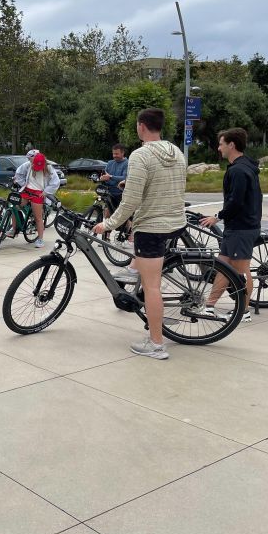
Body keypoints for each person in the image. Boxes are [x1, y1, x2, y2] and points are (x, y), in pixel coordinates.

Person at [92, 108, 186, 360]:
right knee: (146, 273)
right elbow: (164, 183)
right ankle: (134, 268)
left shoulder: (141, 155)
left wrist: (108, 224)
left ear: (141, 126)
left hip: (151, 227)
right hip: (174, 222)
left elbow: (130, 201)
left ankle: (156, 344)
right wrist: (128, 182)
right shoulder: (176, 152)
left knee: (152, 287)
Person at [198, 128, 262, 322]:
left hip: (242, 228)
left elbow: (236, 201)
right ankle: (209, 306)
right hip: (237, 227)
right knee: (224, 266)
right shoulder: (243, 166)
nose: (219, 148)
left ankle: (244, 311)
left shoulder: (239, 170)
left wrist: (217, 217)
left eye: (221, 144)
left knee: (241, 271)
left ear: (231, 145)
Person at [13, 150, 60, 248]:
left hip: (38, 193)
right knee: (15, 206)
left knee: (38, 217)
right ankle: (14, 229)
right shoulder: (28, 164)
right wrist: (22, 184)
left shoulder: (49, 167)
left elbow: (55, 182)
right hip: (27, 190)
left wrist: (45, 192)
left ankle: (40, 239)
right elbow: (18, 173)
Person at [100, 143, 129, 214]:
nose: (114, 156)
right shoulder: (110, 163)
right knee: (106, 214)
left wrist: (110, 177)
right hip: (109, 193)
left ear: (123, 153)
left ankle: (128, 224)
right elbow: (104, 175)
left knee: (123, 217)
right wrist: (102, 178)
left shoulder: (127, 163)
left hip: (121, 194)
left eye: (117, 154)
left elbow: (124, 178)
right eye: (113, 154)